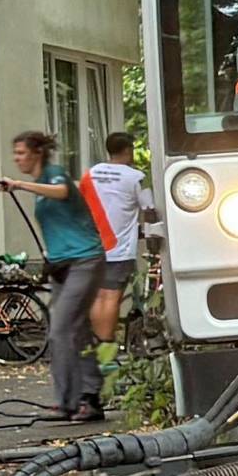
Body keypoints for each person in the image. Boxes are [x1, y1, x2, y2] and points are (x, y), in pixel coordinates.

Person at [0, 130, 111, 421]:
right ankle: (88, 398)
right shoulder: (39, 184)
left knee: (60, 330)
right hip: (62, 266)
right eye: (15, 154)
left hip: (85, 259)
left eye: (21, 153)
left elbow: (61, 192)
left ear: (37, 153)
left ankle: (67, 402)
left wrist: (19, 185)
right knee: (76, 330)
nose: (16, 158)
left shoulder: (54, 174)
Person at [84, 132, 150, 356]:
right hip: (119, 248)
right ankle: (107, 346)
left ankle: (97, 345)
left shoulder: (92, 173)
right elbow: (149, 208)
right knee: (112, 297)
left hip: (92, 246)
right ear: (128, 150)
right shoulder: (135, 177)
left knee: (98, 296)